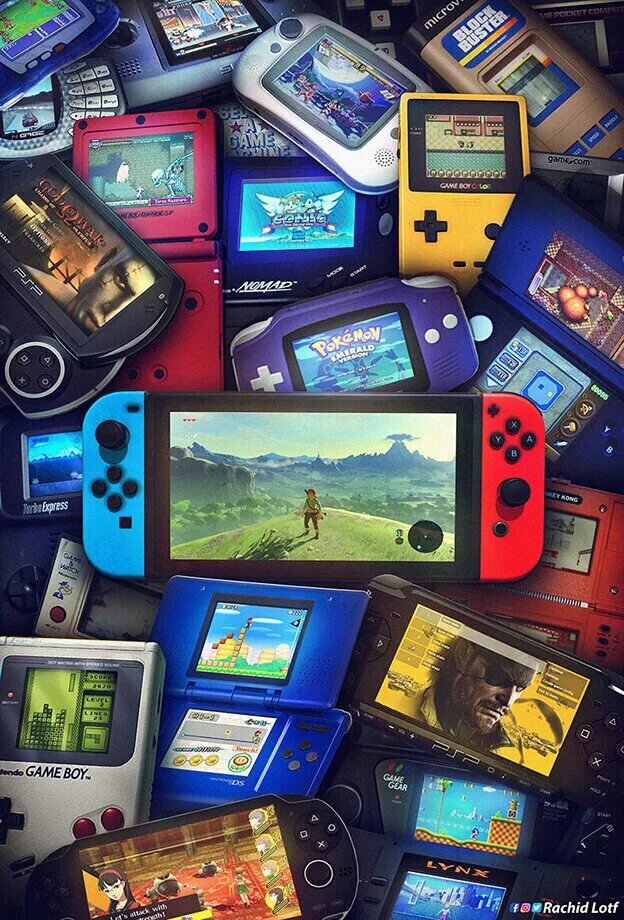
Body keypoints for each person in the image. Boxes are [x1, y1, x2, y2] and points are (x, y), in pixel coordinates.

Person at [401, 637, 539, 761]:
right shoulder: (401, 710)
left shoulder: (514, 757)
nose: (508, 701)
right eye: (499, 676)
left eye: (520, 689)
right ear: (463, 654)